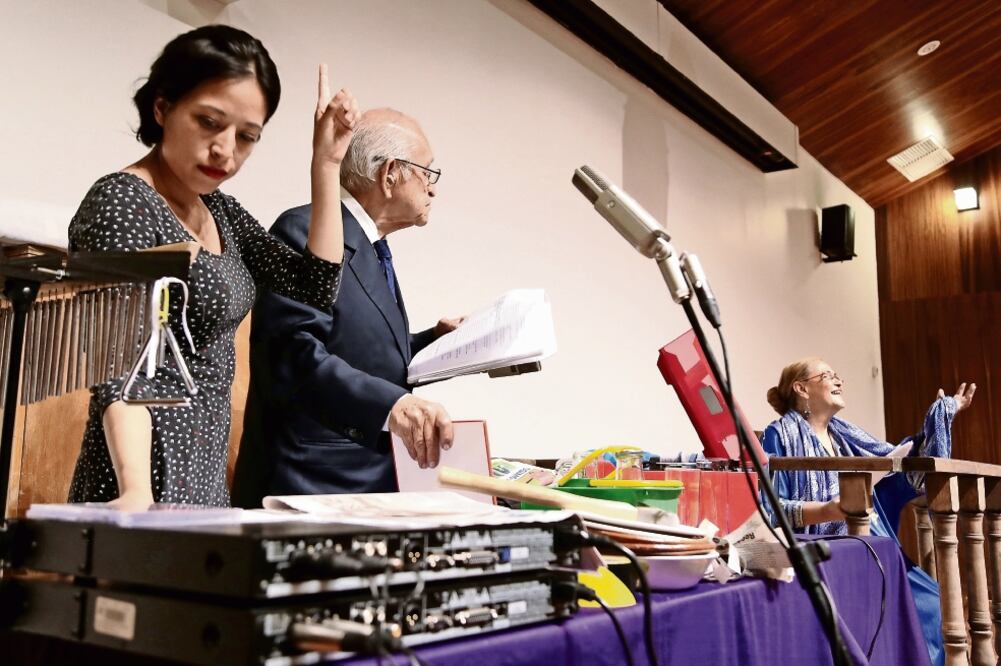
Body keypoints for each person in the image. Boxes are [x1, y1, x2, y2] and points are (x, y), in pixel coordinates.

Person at [67, 25, 359, 510]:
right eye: (209, 122)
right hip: (136, 473)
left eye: (247, 137)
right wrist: (137, 491)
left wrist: (326, 164)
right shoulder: (121, 202)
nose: (226, 150)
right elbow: (120, 368)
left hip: (202, 473)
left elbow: (315, 285)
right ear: (162, 108)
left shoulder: (219, 209)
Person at [231, 108, 463, 507]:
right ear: (390, 173)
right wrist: (394, 404)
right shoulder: (305, 231)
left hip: (361, 478)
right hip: (309, 484)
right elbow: (296, 353)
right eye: (428, 172)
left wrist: (434, 341)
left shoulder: (373, 246)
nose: (433, 189)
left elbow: (356, 347)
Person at [762, 356, 976, 666]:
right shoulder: (780, 435)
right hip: (828, 549)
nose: (838, 380)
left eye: (838, 375)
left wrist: (943, 413)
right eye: (827, 375)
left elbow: (899, 461)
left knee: (931, 603)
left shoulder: (846, 437)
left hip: (873, 537)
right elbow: (772, 510)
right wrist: (830, 510)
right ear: (801, 388)